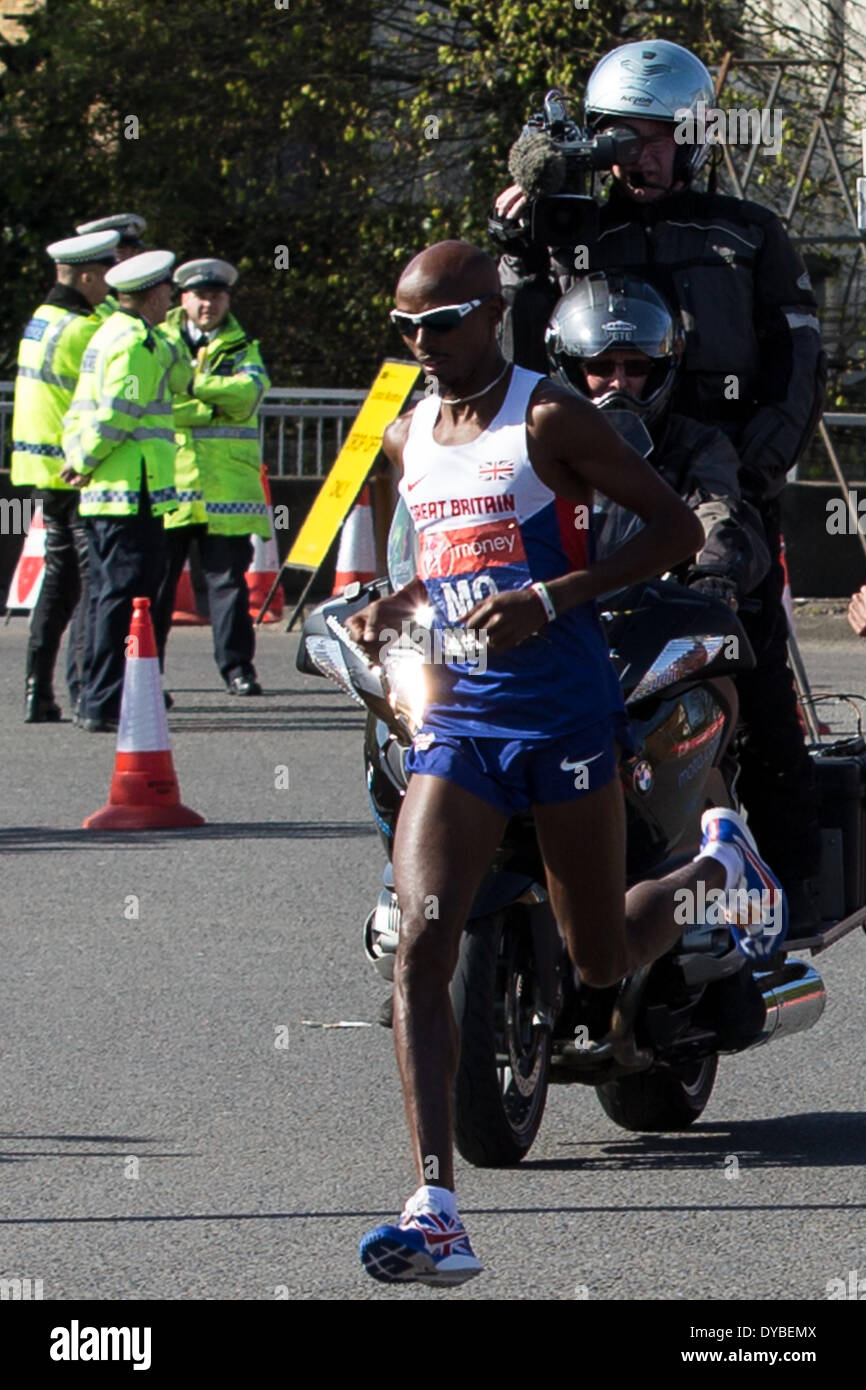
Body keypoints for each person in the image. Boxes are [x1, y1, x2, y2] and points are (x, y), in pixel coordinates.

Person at [345, 239, 787, 1288]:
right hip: (457, 720)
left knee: (597, 959)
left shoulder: (548, 415)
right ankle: (434, 1207)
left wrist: (549, 599)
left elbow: (675, 531)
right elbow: (439, 571)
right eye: (404, 329)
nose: (422, 346)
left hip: (564, 714)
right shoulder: (406, 434)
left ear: (490, 314)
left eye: (440, 323)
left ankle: (717, 874)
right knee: (418, 941)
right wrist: (390, 606)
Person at [492, 38, 825, 934]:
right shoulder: (571, 231)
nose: (639, 155)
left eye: (658, 137)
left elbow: (799, 364)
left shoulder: (749, 232)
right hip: (585, 486)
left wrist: (751, 475)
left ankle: (788, 901)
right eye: (618, 136)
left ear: (695, 139)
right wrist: (519, 248)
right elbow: (519, 357)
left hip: (715, 478)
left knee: (752, 686)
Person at [546, 273, 770, 605]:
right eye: (601, 367)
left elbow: (715, 509)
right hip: (557, 606)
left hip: (652, 609)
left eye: (635, 367)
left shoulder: (697, 445)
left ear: (661, 369)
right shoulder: (543, 442)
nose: (619, 383)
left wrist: (713, 574)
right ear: (572, 368)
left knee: (744, 651)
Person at [61, 251, 179, 732]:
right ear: (153, 295)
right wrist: (86, 460)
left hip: (110, 490)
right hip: (133, 488)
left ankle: (94, 694)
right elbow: (119, 410)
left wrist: (77, 458)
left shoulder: (106, 334)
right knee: (123, 599)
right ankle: (106, 701)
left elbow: (80, 409)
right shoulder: (136, 344)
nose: (172, 298)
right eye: (168, 291)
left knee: (103, 596)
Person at [10, 229, 121, 722]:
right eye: (103, 278)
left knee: (58, 584)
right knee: (92, 583)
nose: (109, 289)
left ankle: (39, 689)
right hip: (75, 470)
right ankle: (86, 691)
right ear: (86, 276)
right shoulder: (84, 330)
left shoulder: (41, 320)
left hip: (41, 470)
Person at [152, 258, 270, 697]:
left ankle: (238, 669)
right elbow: (156, 400)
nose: (209, 305)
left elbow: (249, 394)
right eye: (201, 297)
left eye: (217, 297)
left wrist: (192, 390)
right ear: (183, 299)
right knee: (157, 588)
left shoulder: (242, 345)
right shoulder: (160, 341)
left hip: (227, 489)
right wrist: (209, 405)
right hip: (173, 484)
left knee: (229, 586)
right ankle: (148, 672)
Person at [75, 213, 148, 320]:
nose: (130, 258)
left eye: (133, 251)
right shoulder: (87, 301)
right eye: (121, 249)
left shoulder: (132, 295)